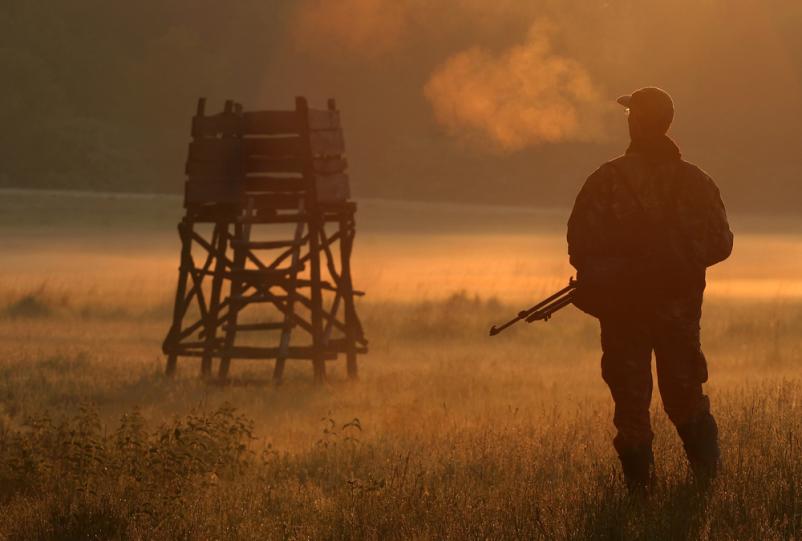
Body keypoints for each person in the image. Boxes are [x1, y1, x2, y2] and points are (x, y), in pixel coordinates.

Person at [567, 87, 733, 492]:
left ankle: (641, 500)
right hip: (678, 314)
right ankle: (707, 491)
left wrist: (621, 272)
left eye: (630, 115)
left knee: (631, 411)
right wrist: (677, 262)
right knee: (687, 400)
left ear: (635, 122)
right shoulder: (697, 181)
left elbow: (580, 246)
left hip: (624, 315)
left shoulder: (607, 180)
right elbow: (721, 243)